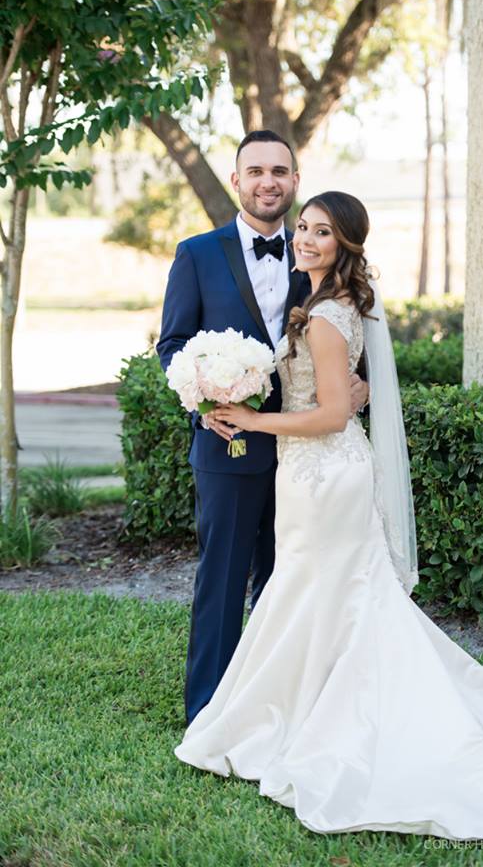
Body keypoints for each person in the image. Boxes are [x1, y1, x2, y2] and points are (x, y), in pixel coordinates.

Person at [174, 190, 483, 848]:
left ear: (345, 247)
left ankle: (312, 716)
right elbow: (341, 394)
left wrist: (252, 418)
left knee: (320, 590)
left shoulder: (329, 317)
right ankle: (306, 705)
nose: (305, 239)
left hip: (325, 471)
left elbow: (333, 413)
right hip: (312, 471)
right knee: (317, 593)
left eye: (322, 233)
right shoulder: (324, 307)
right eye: (303, 228)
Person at [156, 132, 369, 726]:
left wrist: (365, 387)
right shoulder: (197, 254)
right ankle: (209, 708)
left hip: (310, 452)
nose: (267, 181)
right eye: (255, 171)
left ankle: (283, 700)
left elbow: (357, 349)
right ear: (237, 181)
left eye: (280, 170)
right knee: (222, 578)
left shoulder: (320, 254)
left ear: (295, 182)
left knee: (291, 578)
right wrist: (203, 401)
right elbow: (173, 343)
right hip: (231, 442)